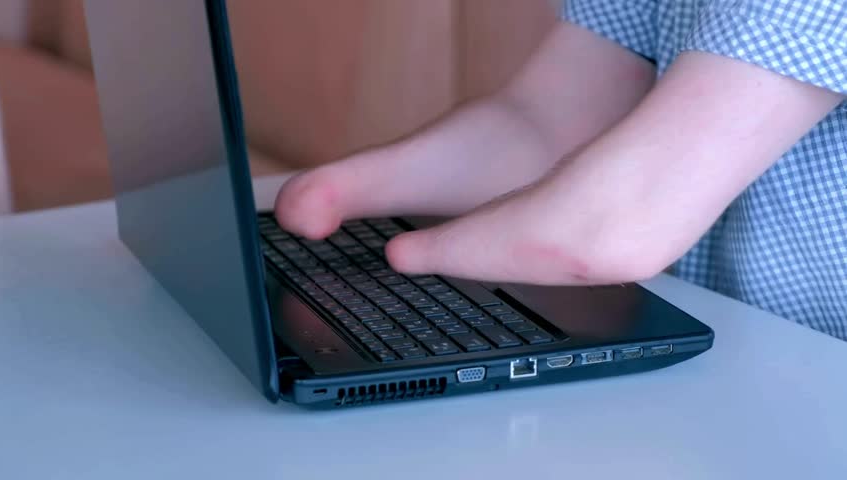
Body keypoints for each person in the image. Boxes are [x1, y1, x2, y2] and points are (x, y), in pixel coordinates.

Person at [273, 1, 847, 341]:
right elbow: (546, 121)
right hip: (751, 347)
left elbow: (618, 223)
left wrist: (411, 254)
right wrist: (346, 188)